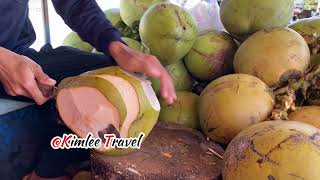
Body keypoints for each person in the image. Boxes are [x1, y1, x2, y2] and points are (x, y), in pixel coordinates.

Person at [0, 0, 176, 179]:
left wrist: (117, 48)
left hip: (19, 53)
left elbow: (74, 3)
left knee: (106, 70)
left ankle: (48, 170)